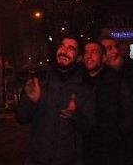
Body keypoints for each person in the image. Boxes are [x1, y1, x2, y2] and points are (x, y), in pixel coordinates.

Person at [16, 36, 95, 165]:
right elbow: (21, 118)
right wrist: (31, 102)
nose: (64, 51)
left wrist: (74, 115)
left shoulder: (85, 86)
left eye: (71, 48)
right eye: (62, 46)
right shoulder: (39, 80)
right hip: (36, 159)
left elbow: (89, 128)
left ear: (79, 57)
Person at [82, 40, 133, 165]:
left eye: (94, 52)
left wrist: (115, 136)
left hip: (111, 152)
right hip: (86, 152)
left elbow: (131, 114)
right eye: (86, 52)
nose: (89, 55)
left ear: (103, 58)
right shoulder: (79, 82)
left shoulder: (115, 81)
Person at [100, 36, 133, 163]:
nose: (115, 51)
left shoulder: (132, 71)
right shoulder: (96, 79)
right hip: (111, 142)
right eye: (109, 48)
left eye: (115, 47)